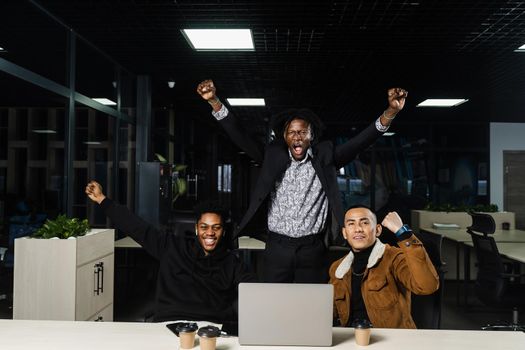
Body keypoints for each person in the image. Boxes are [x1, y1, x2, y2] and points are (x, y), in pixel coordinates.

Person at [196, 79, 408, 283]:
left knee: (311, 305)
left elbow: (360, 142)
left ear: (311, 136)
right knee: (273, 303)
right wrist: (214, 101)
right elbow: (241, 136)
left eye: (302, 132)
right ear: (285, 137)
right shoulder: (273, 155)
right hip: (277, 247)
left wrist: (390, 113)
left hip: (312, 250)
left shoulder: (326, 156)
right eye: (292, 132)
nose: (297, 137)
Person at [85, 180, 256, 325]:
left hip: (212, 330)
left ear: (223, 231)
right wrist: (102, 200)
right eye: (204, 227)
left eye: (216, 228)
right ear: (196, 229)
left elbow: (255, 292)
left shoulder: (232, 263)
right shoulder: (172, 247)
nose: (209, 233)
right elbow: (136, 227)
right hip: (169, 325)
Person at [329, 205, 439, 328]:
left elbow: (427, 286)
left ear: (378, 230)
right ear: (344, 233)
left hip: (391, 340)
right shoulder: (337, 268)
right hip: (351, 338)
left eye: (365, 223)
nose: (358, 229)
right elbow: (329, 312)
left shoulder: (394, 258)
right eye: (351, 224)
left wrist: (402, 232)